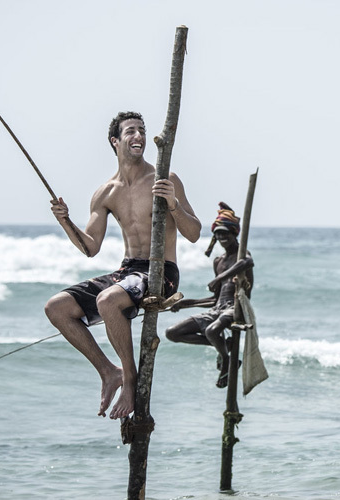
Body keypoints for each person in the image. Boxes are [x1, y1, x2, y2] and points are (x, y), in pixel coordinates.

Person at [45, 111, 201, 419]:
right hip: (128, 271)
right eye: (131, 131)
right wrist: (65, 221)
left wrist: (174, 204)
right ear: (115, 142)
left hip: (161, 271)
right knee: (57, 307)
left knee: (108, 299)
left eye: (142, 130)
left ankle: (130, 381)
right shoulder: (106, 193)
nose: (139, 136)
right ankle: (109, 372)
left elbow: (194, 233)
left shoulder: (165, 178)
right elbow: (90, 247)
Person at [164, 202, 254, 388]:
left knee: (211, 330)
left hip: (235, 308)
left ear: (234, 233)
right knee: (172, 333)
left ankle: (225, 360)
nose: (222, 237)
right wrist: (185, 303)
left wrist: (219, 278)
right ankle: (224, 347)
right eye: (218, 234)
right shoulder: (218, 261)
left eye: (225, 233)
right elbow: (215, 299)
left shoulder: (242, 254)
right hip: (218, 309)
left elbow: (246, 263)